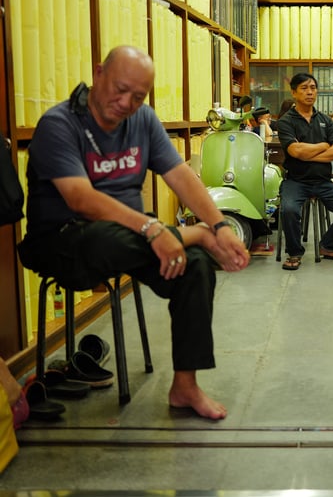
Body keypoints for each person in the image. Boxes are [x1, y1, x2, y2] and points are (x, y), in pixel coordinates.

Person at [17, 46, 251, 420]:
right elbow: (80, 198)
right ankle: (193, 235)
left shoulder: (143, 121)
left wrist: (220, 225)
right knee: (106, 236)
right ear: (98, 74)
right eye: (119, 89)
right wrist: (154, 227)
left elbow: (180, 176)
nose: (126, 103)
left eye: (138, 96)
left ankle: (185, 386)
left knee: (196, 268)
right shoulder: (59, 123)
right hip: (64, 240)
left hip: (130, 240)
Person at [276, 72, 333, 271]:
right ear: (294, 92)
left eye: (313, 88)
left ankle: (328, 246)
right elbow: (294, 150)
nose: (310, 92)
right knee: (289, 210)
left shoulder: (325, 120)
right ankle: (294, 253)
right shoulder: (286, 121)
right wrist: (324, 145)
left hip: (322, 180)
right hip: (295, 181)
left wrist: (308, 154)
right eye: (304, 88)